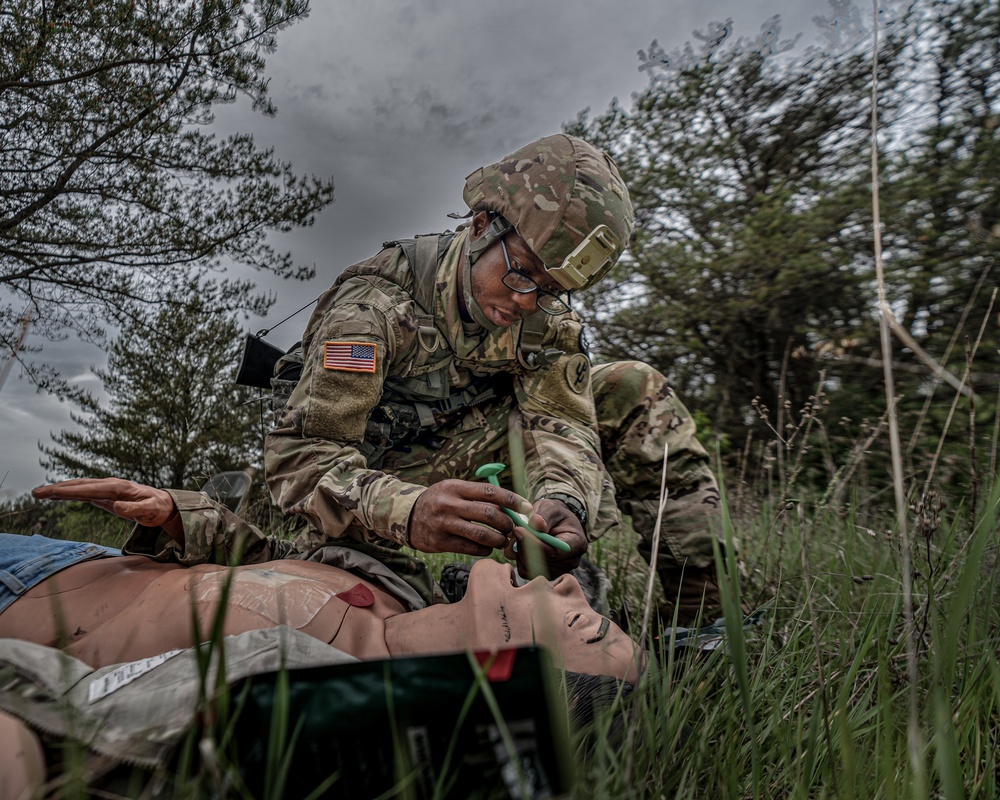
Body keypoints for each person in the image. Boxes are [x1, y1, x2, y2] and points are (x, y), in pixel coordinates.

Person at [264, 133, 727, 624]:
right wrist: (408, 509)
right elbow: (301, 457)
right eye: (523, 273)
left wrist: (563, 500)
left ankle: (701, 625)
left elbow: (560, 424)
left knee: (632, 389)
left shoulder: (546, 321)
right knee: (371, 608)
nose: (528, 302)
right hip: (373, 478)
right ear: (482, 226)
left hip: (476, 448)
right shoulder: (371, 311)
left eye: (550, 290)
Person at [1, 477, 642, 798]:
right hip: (54, 558)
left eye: (585, 623)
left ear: (513, 687)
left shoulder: (304, 699)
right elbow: (267, 560)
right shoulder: (399, 578)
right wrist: (178, 512)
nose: (568, 587)